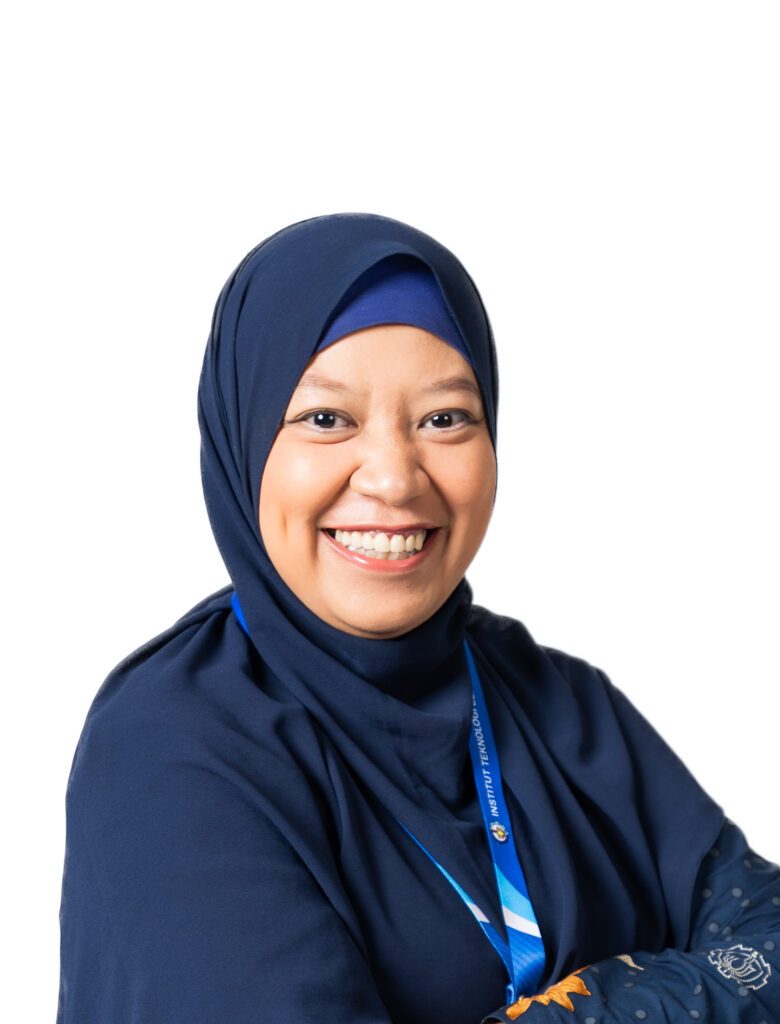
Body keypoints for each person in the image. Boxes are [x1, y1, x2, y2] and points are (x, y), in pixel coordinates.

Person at [56, 213, 780, 1024]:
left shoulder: (560, 701)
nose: (395, 479)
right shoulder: (169, 749)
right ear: (243, 439)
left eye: (444, 418)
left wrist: (598, 1007)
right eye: (326, 419)